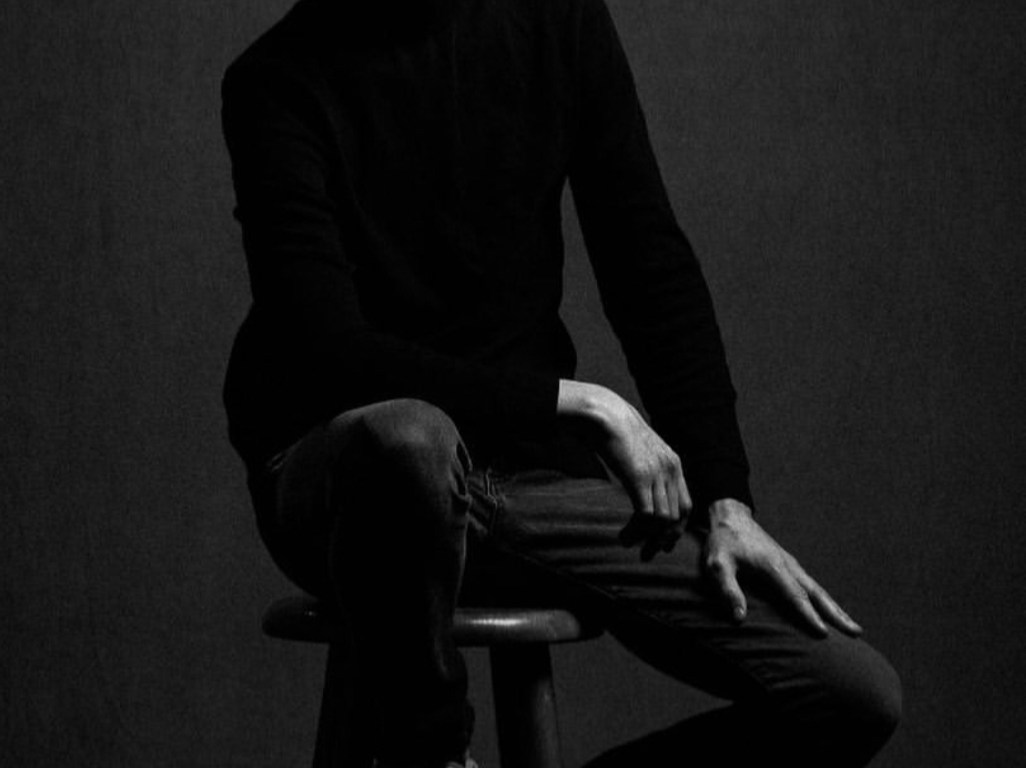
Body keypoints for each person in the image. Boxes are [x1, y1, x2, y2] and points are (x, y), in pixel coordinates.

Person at [220, 0, 901, 766]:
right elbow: (331, 350)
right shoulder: (276, 81)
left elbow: (650, 267)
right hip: (353, 484)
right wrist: (577, 402)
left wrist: (725, 500)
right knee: (408, 436)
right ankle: (433, 754)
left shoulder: (559, 19)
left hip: (519, 478)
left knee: (851, 695)